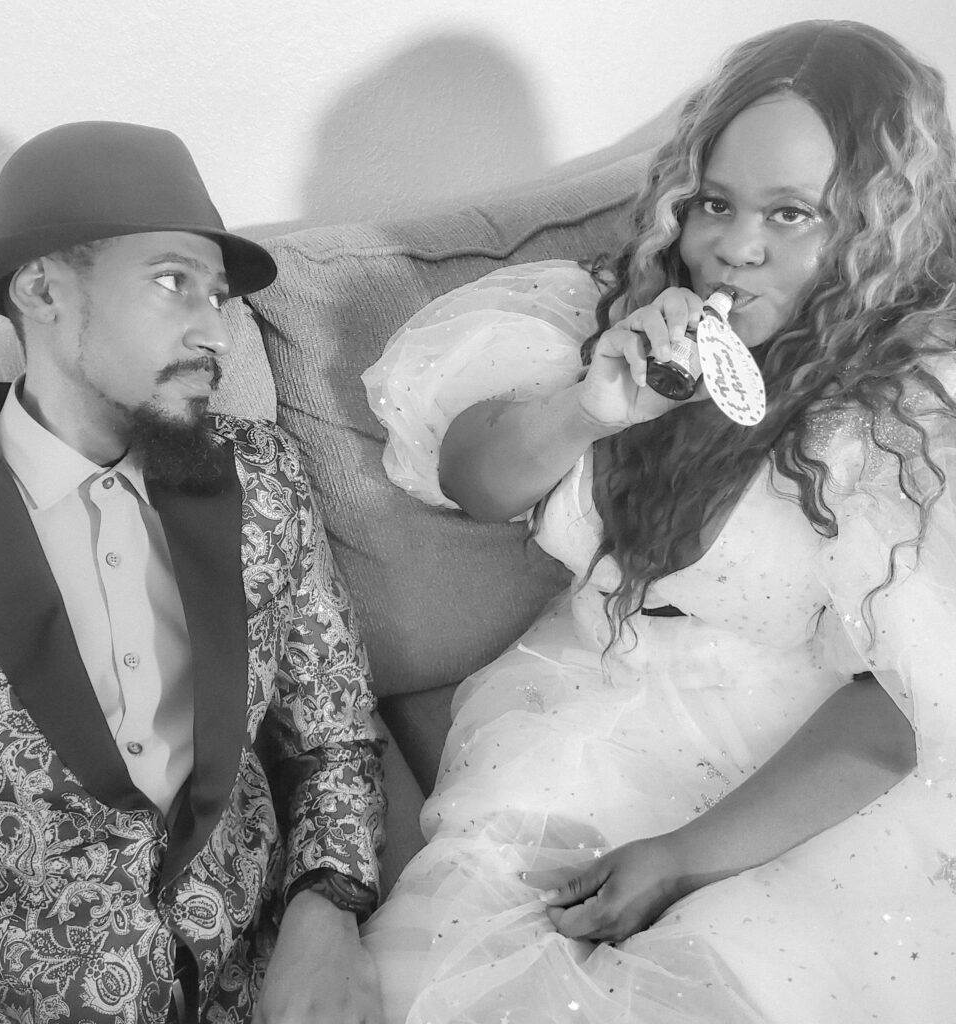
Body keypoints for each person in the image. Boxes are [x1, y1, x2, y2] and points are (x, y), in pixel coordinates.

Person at [360, 19, 956, 1024]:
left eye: (792, 214)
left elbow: (901, 710)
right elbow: (474, 482)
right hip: (576, 722)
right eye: (716, 203)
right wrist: (592, 410)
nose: (735, 248)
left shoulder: (912, 413)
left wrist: (682, 859)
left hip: (801, 785)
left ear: (876, 222)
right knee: (424, 986)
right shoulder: (612, 320)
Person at [0, 121, 386, 1024]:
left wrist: (326, 909)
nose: (216, 331)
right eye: (173, 281)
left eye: (218, 297)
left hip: (262, 976)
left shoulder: (260, 474)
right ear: (41, 288)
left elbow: (334, 734)